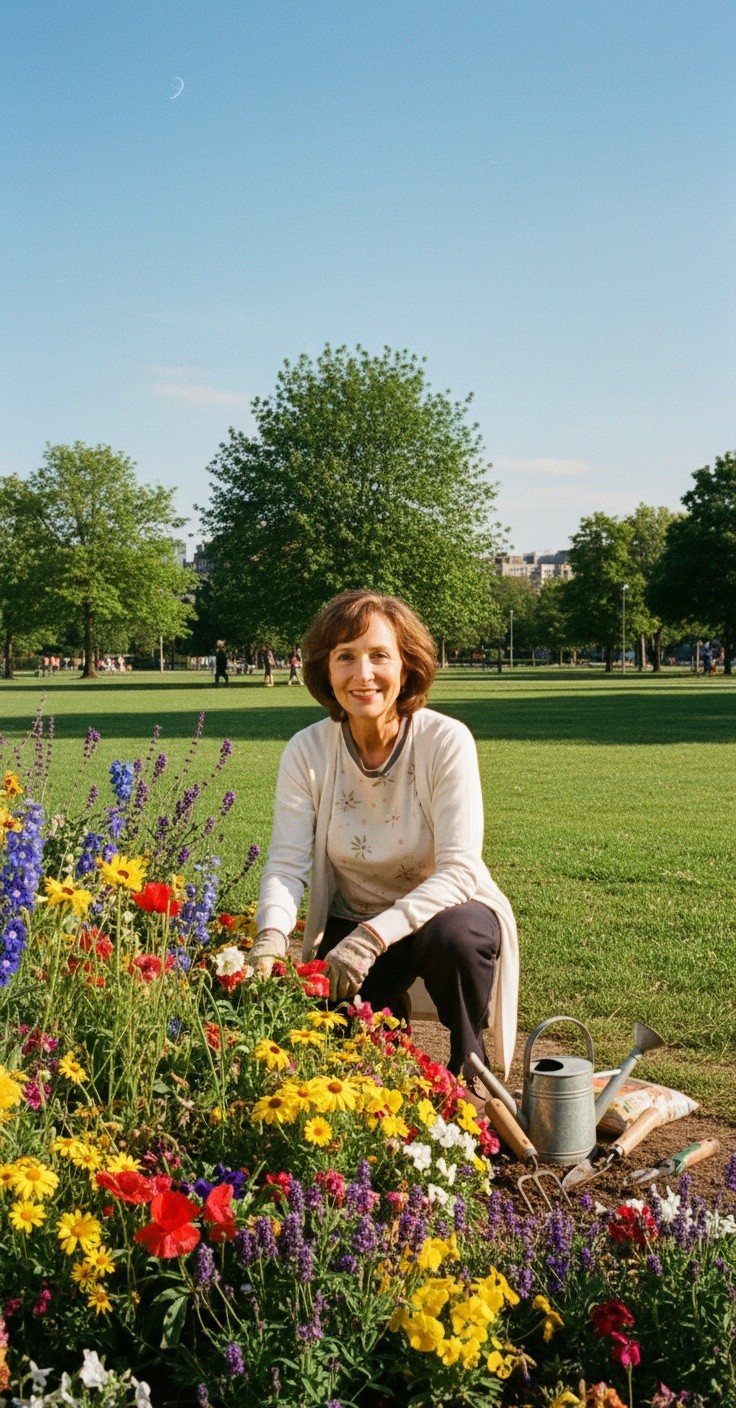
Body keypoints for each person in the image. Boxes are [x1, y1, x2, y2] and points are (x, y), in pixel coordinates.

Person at [250, 589, 519, 1087]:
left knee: (454, 938)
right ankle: (392, 1056)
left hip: (443, 916)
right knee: (346, 1071)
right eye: (345, 657)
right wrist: (269, 936)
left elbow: (460, 870)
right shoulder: (306, 750)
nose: (363, 674)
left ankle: (471, 1074)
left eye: (379, 655)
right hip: (353, 923)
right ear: (326, 670)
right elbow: (287, 866)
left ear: (407, 664)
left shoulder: (445, 740)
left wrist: (374, 937)